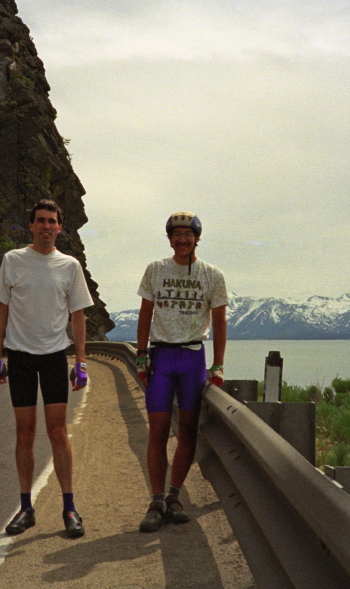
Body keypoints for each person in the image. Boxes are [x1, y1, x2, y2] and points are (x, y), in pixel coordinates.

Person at [0, 199, 93, 539]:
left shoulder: (69, 266)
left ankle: (69, 508)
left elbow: (78, 315)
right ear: (31, 225)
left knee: (58, 432)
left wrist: (81, 361)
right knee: (25, 433)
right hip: (20, 357)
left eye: (52, 221)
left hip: (53, 357)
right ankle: (26, 508)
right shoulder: (13, 260)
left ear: (60, 227)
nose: (46, 226)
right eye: (41, 220)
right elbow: (1, 309)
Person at [135, 211, 228, 532]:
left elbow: (220, 322)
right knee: (158, 430)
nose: (182, 239)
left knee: (187, 430)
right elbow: (145, 314)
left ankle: (174, 496)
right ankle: (156, 500)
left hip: (192, 357)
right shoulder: (155, 269)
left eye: (188, 235)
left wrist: (218, 364)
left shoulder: (212, 275)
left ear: (197, 238)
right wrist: (141, 355)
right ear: (170, 238)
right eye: (177, 235)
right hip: (161, 357)